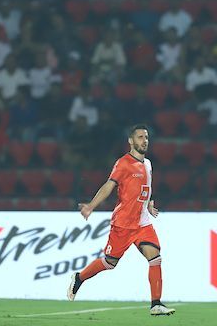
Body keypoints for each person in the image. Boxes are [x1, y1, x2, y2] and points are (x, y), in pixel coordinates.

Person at [67, 124, 175, 316]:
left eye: (147, 137)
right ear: (131, 141)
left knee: (155, 257)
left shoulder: (148, 164)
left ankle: (156, 304)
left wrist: (148, 204)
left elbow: (146, 187)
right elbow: (109, 186)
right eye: (140, 137)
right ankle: (80, 277)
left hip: (142, 223)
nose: (145, 140)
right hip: (123, 224)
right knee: (110, 263)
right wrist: (91, 206)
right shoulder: (123, 163)